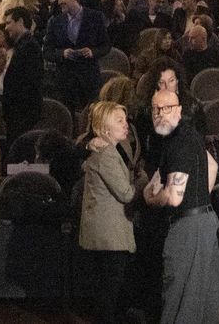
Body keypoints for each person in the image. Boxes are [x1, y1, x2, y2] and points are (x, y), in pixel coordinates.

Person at [143, 86, 219, 324]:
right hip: (202, 222)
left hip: (189, 227)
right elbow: (213, 165)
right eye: (155, 108)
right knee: (203, 303)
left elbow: (174, 197)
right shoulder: (187, 136)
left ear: (179, 110)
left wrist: (149, 198)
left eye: (166, 108)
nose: (159, 113)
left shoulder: (179, 142)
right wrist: (199, 198)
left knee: (181, 305)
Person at [79, 100, 137, 324]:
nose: (126, 125)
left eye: (125, 120)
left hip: (103, 233)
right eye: (119, 121)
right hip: (110, 234)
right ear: (104, 128)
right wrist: (143, 185)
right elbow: (125, 193)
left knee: (106, 289)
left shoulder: (104, 151)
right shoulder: (108, 155)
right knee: (109, 291)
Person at [44, 0, 110, 113]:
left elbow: (106, 45)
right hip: (65, 81)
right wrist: (62, 53)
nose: (59, 2)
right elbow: (47, 51)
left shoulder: (95, 17)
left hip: (89, 79)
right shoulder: (55, 21)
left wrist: (92, 52)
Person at [2, 8, 44, 141]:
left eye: (9, 23)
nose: (6, 28)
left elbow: (26, 84)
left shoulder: (29, 47)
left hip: (22, 114)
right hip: (19, 114)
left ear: (20, 21)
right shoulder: (24, 45)